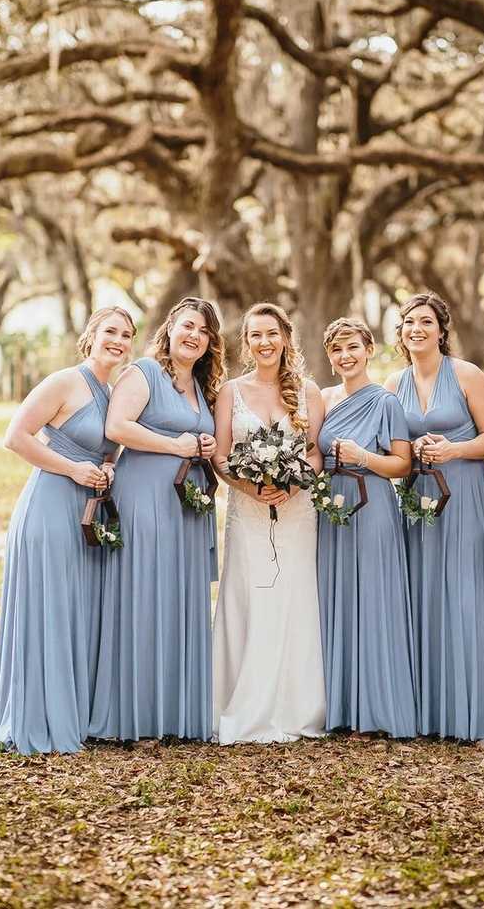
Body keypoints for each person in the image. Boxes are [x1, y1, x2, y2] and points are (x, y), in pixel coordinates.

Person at [0, 307, 135, 754]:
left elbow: (107, 451)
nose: (119, 340)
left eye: (127, 334)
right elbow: (17, 436)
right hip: (49, 507)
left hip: (86, 511)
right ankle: (37, 718)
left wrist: (106, 470)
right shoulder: (64, 382)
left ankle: (73, 712)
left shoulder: (115, 393)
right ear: (91, 335)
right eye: (111, 331)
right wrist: (74, 469)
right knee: (50, 606)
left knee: (78, 608)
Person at [89, 297, 224, 742]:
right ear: (170, 328)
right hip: (144, 499)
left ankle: (174, 715)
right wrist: (178, 447)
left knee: (178, 599)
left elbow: (194, 436)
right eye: (188, 326)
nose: (194, 336)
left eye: (204, 332)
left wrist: (202, 448)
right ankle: (132, 714)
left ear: (210, 342)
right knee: (144, 597)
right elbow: (117, 427)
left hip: (186, 506)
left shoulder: (202, 388)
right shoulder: (143, 372)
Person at [386, 293, 484, 747]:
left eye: (425, 321)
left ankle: (482, 718)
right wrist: (410, 452)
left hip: (466, 495)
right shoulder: (395, 383)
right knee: (425, 593)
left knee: (467, 594)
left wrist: (454, 449)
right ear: (401, 332)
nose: (416, 329)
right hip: (420, 499)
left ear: (441, 329)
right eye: (408, 322)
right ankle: (433, 712)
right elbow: (393, 444)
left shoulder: (467, 374)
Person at [212, 302, 326, 744]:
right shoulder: (230, 392)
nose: (264, 342)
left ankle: (297, 705)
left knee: (296, 598)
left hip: (299, 512)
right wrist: (248, 487)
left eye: (271, 334)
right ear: (247, 342)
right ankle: (243, 702)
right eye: (255, 335)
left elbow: (314, 450)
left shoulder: (309, 391)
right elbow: (221, 455)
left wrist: (298, 483)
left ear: (286, 338)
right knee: (249, 596)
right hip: (248, 513)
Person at [317, 317, 417, 739]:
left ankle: (376, 709)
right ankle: (338, 706)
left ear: (369, 349)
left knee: (373, 599)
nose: (346, 356)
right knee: (335, 598)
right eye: (337, 350)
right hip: (331, 509)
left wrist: (363, 457)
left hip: (373, 503)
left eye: (353, 347)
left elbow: (403, 464)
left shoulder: (386, 402)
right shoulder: (322, 399)